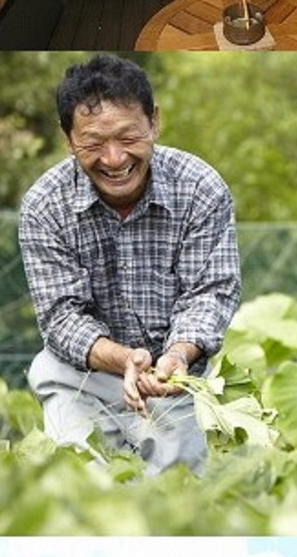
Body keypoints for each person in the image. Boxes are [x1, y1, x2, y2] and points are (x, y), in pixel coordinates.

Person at [18, 53, 240, 472]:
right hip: (86, 373)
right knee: (87, 490)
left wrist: (174, 356)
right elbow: (61, 316)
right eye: (94, 143)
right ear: (68, 139)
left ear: (153, 122)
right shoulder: (44, 206)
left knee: (175, 495)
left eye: (128, 137)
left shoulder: (200, 188)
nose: (115, 158)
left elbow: (209, 295)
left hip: (170, 378)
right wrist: (123, 360)